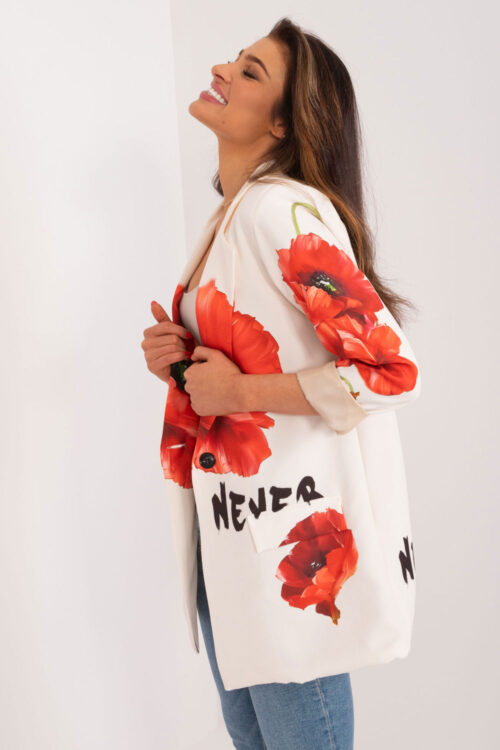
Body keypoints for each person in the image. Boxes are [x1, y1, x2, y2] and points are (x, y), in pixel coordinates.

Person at [141, 16, 421, 750]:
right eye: (236, 60)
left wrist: (239, 395)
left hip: (288, 553)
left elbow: (392, 371)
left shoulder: (279, 211)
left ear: (282, 124)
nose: (222, 70)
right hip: (236, 540)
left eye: (250, 71)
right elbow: (253, 358)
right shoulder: (234, 216)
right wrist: (180, 357)